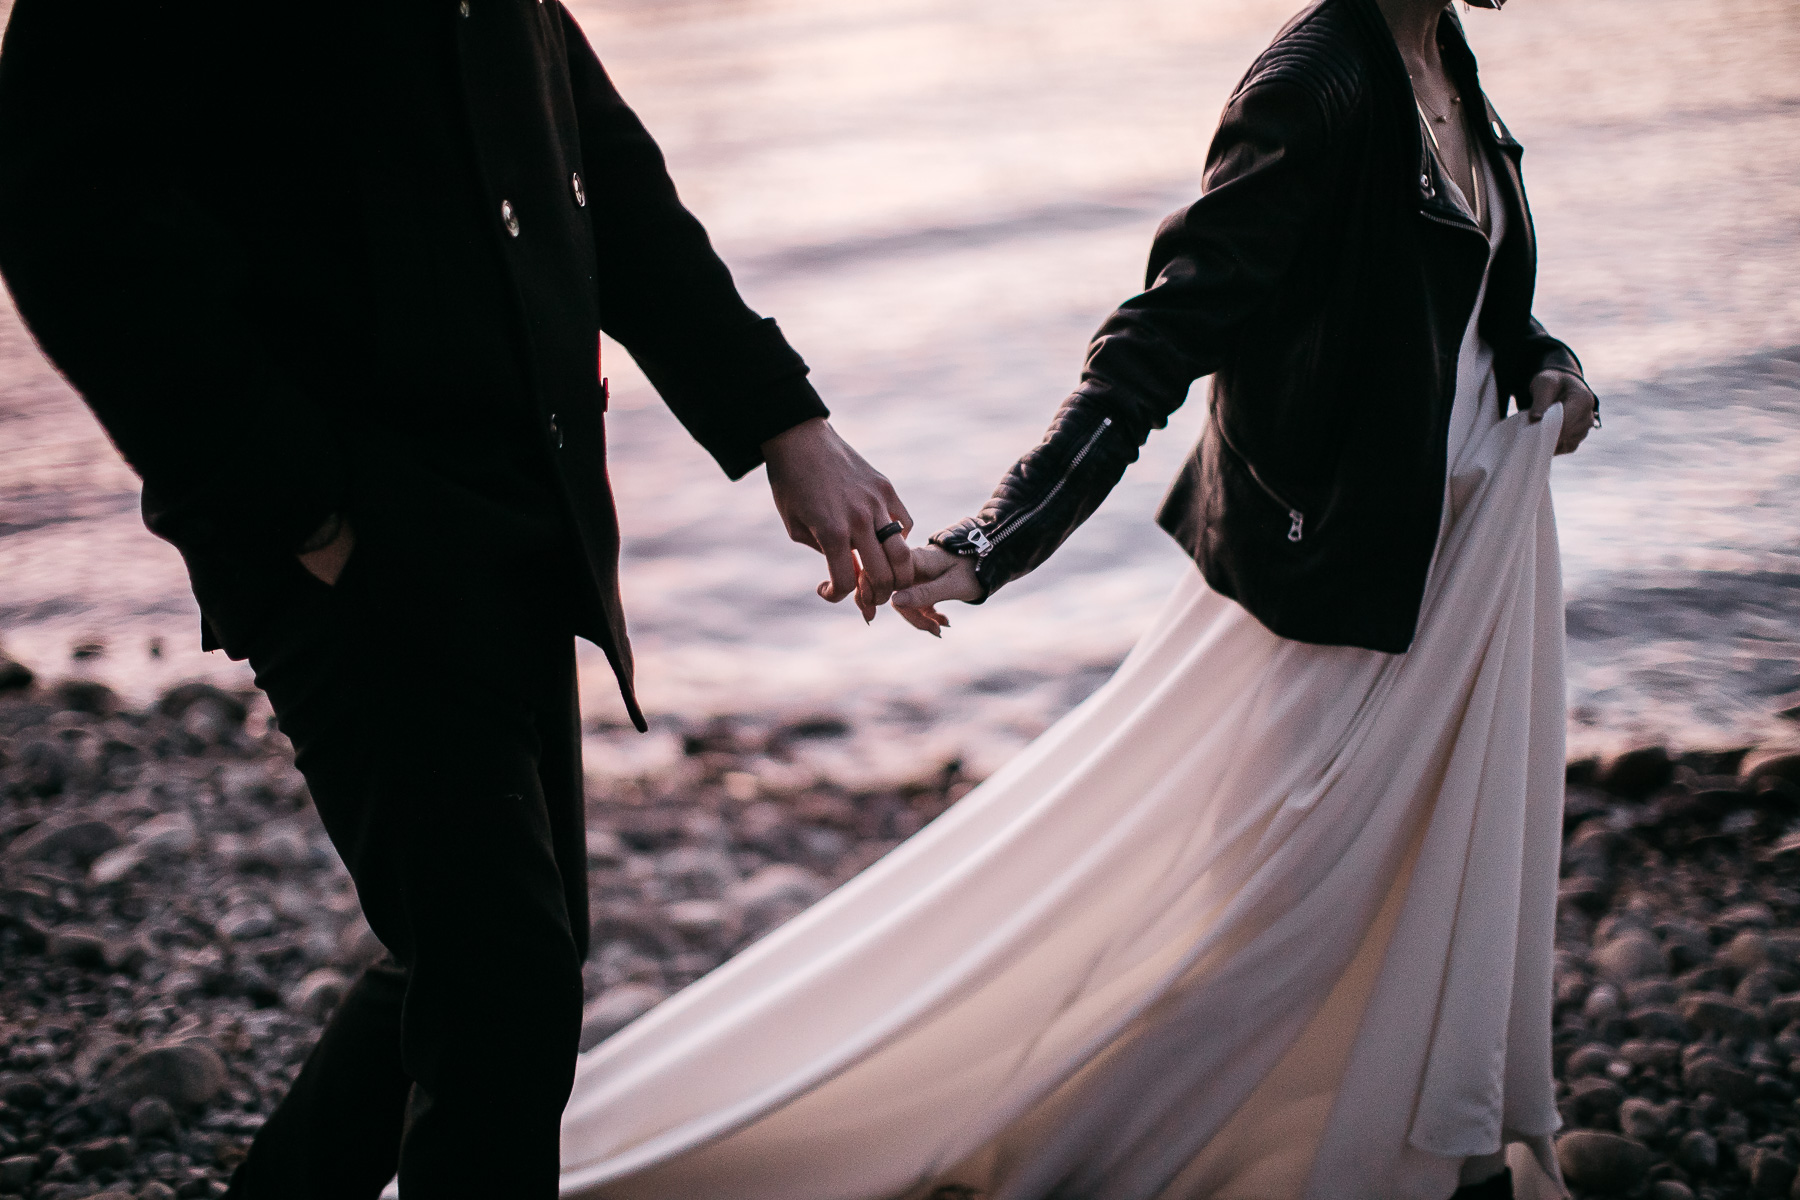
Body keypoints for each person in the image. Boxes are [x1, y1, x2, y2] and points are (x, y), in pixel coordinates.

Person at [541, 0, 1597, 1197]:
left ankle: (1388, 1147)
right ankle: (1072, 1146)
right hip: (1334, 585)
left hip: (1450, 567)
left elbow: (1470, 300)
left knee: (1399, 898)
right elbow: (1157, 337)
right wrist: (998, 541)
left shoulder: (1443, 57)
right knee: (1269, 924)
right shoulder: (1317, 84)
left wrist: (1547, 364)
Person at [0, 2, 914, 1198]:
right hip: (347, 534)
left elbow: (594, 157)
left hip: (524, 503)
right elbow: (70, 224)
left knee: (497, 966)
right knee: (501, 988)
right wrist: (301, 511)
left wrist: (781, 422)